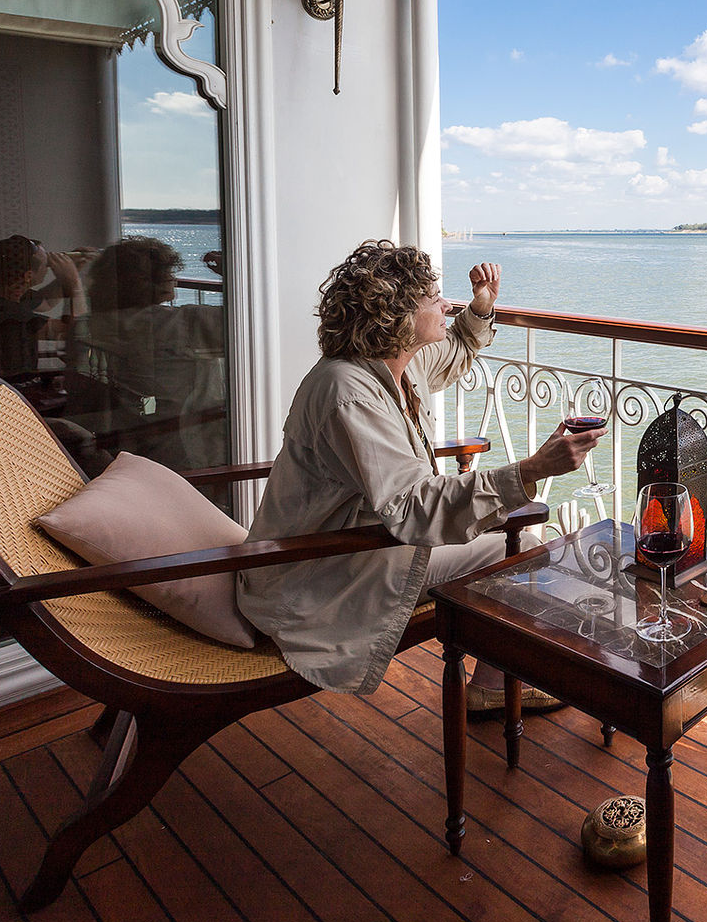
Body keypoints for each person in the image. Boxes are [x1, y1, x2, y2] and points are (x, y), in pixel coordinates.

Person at [237, 240, 603, 702]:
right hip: (318, 576)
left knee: (512, 545)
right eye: (434, 298)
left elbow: (454, 350)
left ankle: (496, 678)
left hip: (353, 552)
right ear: (400, 317)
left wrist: (481, 307)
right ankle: (493, 686)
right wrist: (528, 472)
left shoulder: (390, 365)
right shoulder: (348, 393)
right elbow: (412, 508)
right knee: (522, 549)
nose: (445, 304)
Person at [81, 236, 226, 470]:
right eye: (168, 273)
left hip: (133, 439)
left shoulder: (99, 323)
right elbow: (251, 318)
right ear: (152, 282)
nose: (174, 278)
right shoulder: (179, 325)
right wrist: (230, 271)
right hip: (185, 448)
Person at [0, 235, 85, 377]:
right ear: (28, 277)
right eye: (46, 264)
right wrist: (74, 282)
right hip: (9, 390)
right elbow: (78, 332)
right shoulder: (12, 317)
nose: (48, 268)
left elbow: (46, 302)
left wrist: (74, 269)